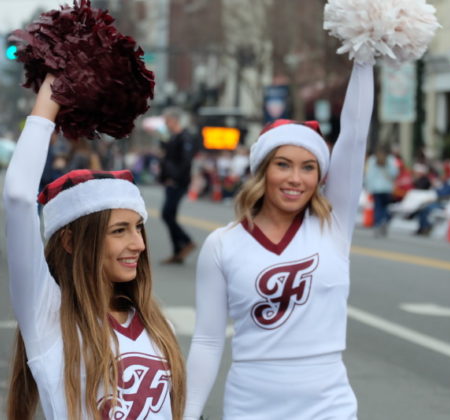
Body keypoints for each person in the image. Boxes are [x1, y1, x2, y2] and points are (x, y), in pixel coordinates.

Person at [183, 62, 373, 419]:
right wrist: (188, 413)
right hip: (251, 405)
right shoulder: (222, 245)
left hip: (328, 407)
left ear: (320, 177)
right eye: (283, 164)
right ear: (262, 170)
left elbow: (355, 135)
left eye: (308, 167)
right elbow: (208, 341)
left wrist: (363, 54)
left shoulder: (333, 227)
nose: (295, 179)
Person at [4, 74, 185, 419]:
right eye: (119, 231)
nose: (139, 245)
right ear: (71, 241)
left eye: (138, 229)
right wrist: (51, 92)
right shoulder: (48, 317)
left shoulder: (160, 326)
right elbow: (17, 197)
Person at [159, 107, 198, 264]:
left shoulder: (184, 137)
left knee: (167, 214)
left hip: (177, 182)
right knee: (170, 215)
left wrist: (174, 178)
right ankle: (177, 250)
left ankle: (186, 241)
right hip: (170, 181)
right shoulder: (173, 137)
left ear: (174, 120)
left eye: (167, 121)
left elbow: (185, 161)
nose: (166, 124)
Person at [365, 144, 398, 237]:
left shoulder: (372, 160)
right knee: (385, 208)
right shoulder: (391, 160)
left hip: (376, 188)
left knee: (378, 208)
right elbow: (394, 174)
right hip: (387, 188)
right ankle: (384, 221)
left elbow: (369, 175)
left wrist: (368, 187)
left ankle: (378, 224)